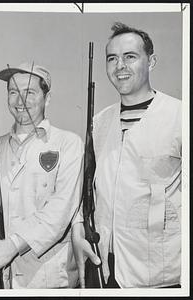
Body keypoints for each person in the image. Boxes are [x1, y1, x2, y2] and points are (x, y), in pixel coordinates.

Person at [72, 22, 182, 288]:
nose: (120, 65)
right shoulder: (98, 123)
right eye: (112, 58)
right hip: (107, 268)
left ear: (151, 61)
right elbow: (87, 188)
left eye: (130, 56)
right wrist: (77, 227)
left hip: (163, 274)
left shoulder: (180, 116)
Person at [0, 62, 83, 289]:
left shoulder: (69, 144)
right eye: (13, 92)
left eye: (30, 92)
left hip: (47, 281)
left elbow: (60, 210)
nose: (20, 101)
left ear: (47, 98)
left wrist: (10, 247)